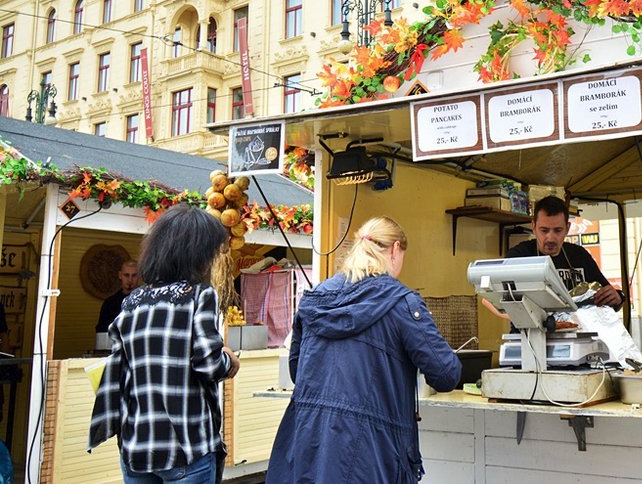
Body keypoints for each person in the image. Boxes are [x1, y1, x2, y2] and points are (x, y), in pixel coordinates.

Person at [267, 216, 461, 483]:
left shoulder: (315, 299)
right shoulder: (403, 304)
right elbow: (445, 374)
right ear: (394, 250)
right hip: (371, 452)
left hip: (309, 444)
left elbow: (296, 370)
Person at [89, 204, 241, 482]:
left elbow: (119, 371)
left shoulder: (132, 301)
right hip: (186, 446)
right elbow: (209, 364)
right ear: (196, 255)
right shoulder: (199, 296)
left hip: (136, 447)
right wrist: (230, 360)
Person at [506, 196, 623, 309]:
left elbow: (607, 295)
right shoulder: (519, 257)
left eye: (558, 230)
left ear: (567, 228)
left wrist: (618, 297)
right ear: (533, 226)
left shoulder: (579, 255)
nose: (550, 238)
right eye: (544, 230)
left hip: (577, 326)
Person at [96, 260, 140, 333]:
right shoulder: (109, 303)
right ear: (120, 275)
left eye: (134, 275)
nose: (130, 280)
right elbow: (102, 331)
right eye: (126, 275)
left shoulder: (147, 301)